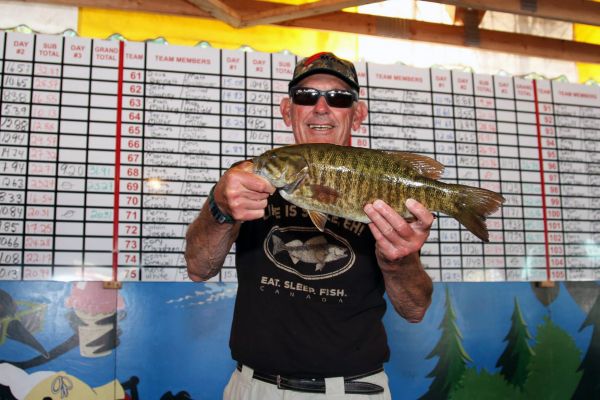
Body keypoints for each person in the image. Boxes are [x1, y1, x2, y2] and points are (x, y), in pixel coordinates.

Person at [185, 52, 434, 399]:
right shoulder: (249, 180)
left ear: (358, 115)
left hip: (352, 391)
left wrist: (401, 260)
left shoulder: (383, 186)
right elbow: (198, 268)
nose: (321, 107)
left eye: (339, 98)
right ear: (288, 110)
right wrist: (220, 207)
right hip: (253, 387)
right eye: (306, 96)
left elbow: (415, 310)